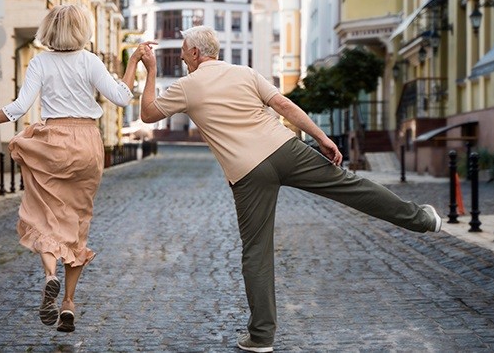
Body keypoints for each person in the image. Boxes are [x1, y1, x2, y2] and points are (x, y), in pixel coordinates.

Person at [136, 26, 442, 352]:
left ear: (196, 53)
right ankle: (422, 219)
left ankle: (261, 337)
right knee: (351, 186)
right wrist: (322, 138)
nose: (181, 56)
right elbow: (284, 105)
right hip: (285, 149)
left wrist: (151, 70)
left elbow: (148, 113)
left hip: (247, 173)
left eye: (183, 51)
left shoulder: (186, 86)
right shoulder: (245, 73)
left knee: (257, 251)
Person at [0, 4, 147, 333]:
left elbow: (19, 107)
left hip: (54, 143)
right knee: (78, 223)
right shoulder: (90, 61)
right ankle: (68, 303)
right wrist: (133, 61)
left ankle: (50, 275)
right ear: (83, 30)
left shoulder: (40, 62)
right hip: (87, 144)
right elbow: (123, 98)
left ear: (50, 30)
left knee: (41, 214)